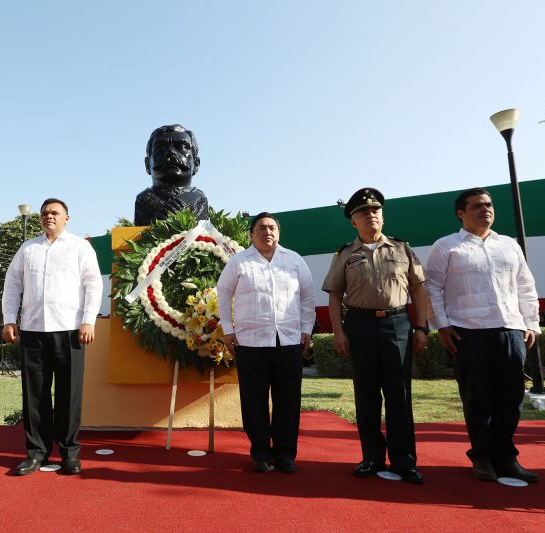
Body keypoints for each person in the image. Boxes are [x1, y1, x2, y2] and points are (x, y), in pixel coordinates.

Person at [425, 187, 540, 483]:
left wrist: (531, 323)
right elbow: (432, 288)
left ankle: (506, 456)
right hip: (468, 332)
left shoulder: (510, 246)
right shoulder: (446, 246)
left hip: (511, 330)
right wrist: (442, 325)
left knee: (511, 398)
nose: (485, 209)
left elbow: (525, 286)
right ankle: (482, 457)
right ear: (461, 214)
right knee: (478, 398)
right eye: (477, 206)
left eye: (488, 205)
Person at [322, 188, 428, 484]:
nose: (371, 215)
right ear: (353, 221)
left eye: (375, 211)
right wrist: (338, 331)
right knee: (366, 394)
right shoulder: (344, 254)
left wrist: (421, 328)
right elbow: (334, 295)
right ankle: (372, 457)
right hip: (360, 325)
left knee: (400, 395)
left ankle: (405, 461)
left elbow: (418, 289)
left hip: (398, 325)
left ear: (382, 215)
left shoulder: (402, 248)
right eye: (363, 212)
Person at [2, 198, 103, 475]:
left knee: (69, 394)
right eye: (45, 213)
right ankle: (37, 453)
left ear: (67, 218)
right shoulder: (28, 248)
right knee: (35, 395)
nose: (49, 217)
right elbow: (13, 284)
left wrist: (88, 321)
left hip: (71, 329)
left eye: (55, 213)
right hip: (33, 330)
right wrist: (10, 318)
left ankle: (70, 453)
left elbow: (93, 284)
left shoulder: (80, 247)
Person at [216, 212, 315, 473]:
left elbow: (307, 296)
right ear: (251, 234)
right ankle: (260, 453)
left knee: (288, 401)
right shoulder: (238, 262)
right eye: (261, 227)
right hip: (250, 343)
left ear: (279, 233)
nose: (267, 231)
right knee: (254, 401)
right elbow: (223, 294)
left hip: (289, 341)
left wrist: (307, 329)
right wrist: (228, 328)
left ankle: (285, 454)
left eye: (272, 227)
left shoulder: (293, 260)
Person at [134, 124, 209, 225]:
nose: (171, 151)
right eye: (160, 147)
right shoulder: (142, 201)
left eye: (182, 147)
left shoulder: (199, 199)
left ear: (196, 164)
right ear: (147, 165)